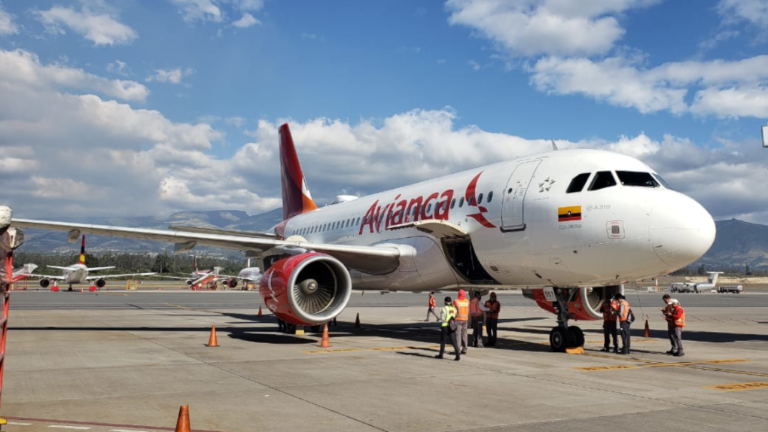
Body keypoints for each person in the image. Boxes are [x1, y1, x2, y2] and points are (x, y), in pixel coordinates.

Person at [436, 296, 460, 361]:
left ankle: (441, 354)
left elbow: (442, 318)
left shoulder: (443, 308)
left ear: (445, 302)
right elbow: (455, 315)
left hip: (445, 326)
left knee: (443, 341)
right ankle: (457, 354)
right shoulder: (453, 308)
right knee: (454, 341)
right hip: (452, 326)